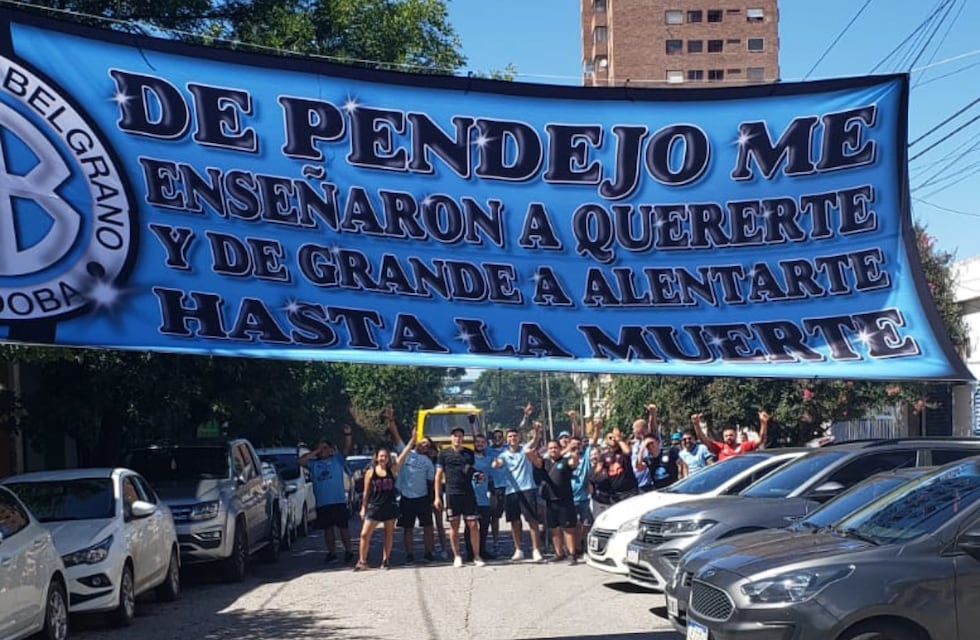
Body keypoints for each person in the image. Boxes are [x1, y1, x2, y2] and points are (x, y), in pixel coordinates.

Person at [492, 404, 544, 563]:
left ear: (519, 438)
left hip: (528, 489)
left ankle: (536, 550)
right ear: (507, 440)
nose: (512, 439)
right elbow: (498, 462)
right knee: (515, 521)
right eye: (510, 437)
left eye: (515, 436)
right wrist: (496, 464)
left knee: (532, 520)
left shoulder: (525, 449)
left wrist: (537, 430)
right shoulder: (504, 454)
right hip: (511, 492)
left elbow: (535, 441)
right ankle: (519, 549)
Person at [386, 409, 436, 563]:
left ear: (429, 449)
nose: (423, 447)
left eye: (426, 446)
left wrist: (434, 499)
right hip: (406, 497)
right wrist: (391, 419)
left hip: (422, 498)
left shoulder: (428, 463)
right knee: (408, 528)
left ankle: (428, 552)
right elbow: (396, 435)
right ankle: (409, 554)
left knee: (427, 527)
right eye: (421, 443)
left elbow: (431, 482)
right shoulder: (406, 452)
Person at [299, 426, 355, 563]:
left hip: (338, 501)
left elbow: (347, 449)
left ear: (330, 449)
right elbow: (301, 461)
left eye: (325, 448)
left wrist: (348, 434)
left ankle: (348, 551)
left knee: (343, 527)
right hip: (323, 502)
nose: (323, 451)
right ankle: (332, 552)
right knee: (328, 529)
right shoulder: (313, 464)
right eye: (320, 448)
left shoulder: (337, 459)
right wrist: (316, 452)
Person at [434, 427, 486, 568]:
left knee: (473, 525)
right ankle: (457, 556)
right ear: (451, 438)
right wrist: (437, 496)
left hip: (468, 493)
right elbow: (438, 475)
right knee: (454, 526)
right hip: (452, 493)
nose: (458, 438)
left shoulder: (469, 453)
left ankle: (476, 555)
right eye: (455, 435)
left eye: (460, 436)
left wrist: (478, 476)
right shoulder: (443, 454)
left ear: (463, 438)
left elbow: (472, 472)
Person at [354, 443, 410, 571]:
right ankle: (362, 561)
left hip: (389, 506)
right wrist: (363, 508)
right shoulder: (370, 472)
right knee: (364, 534)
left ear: (389, 458)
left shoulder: (392, 470)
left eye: (385, 456)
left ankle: (386, 561)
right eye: (381, 456)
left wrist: (412, 440)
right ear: (376, 457)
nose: (383, 458)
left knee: (388, 534)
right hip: (374, 506)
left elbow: (403, 455)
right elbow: (366, 492)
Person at [528, 438, 580, 564]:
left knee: (568, 528)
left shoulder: (565, 461)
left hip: (565, 500)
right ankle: (559, 554)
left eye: (555, 448)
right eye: (550, 448)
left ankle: (572, 554)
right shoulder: (544, 463)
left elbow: (574, 463)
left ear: (559, 449)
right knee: (554, 529)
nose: (553, 450)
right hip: (550, 501)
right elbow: (529, 453)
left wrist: (573, 452)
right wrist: (536, 437)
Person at [591, 423, 638, 517]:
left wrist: (619, 438)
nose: (612, 439)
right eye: (610, 437)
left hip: (629, 492)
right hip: (615, 495)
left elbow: (628, 452)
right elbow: (597, 471)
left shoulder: (623, 451)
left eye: (613, 437)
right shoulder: (604, 456)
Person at [692, 410, 770, 461]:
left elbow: (761, 440)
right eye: (726, 436)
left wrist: (763, 423)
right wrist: (696, 425)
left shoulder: (744, 446)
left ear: (736, 435)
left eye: (731, 435)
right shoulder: (720, 448)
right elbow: (703, 440)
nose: (728, 437)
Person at [466, 431, 495, 562]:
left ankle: (482, 550)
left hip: (484, 498)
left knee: (484, 527)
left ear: (486, 445)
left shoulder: (489, 459)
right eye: (477, 442)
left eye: (482, 442)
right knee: (470, 527)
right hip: (470, 497)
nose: (479, 444)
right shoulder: (469, 457)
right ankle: (470, 553)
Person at [486, 428, 508, 554]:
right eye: (495, 437)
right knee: (494, 517)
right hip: (494, 487)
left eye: (500, 437)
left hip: (509, 486)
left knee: (515, 517)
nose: (498, 439)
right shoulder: (488, 450)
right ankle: (496, 542)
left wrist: (526, 417)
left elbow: (518, 432)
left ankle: (518, 546)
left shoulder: (508, 448)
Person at [630, 404, 659, 492]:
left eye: (633, 429)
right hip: (636, 484)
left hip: (647, 485)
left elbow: (652, 426)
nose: (633, 431)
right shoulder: (636, 444)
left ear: (640, 429)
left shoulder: (649, 440)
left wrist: (652, 414)